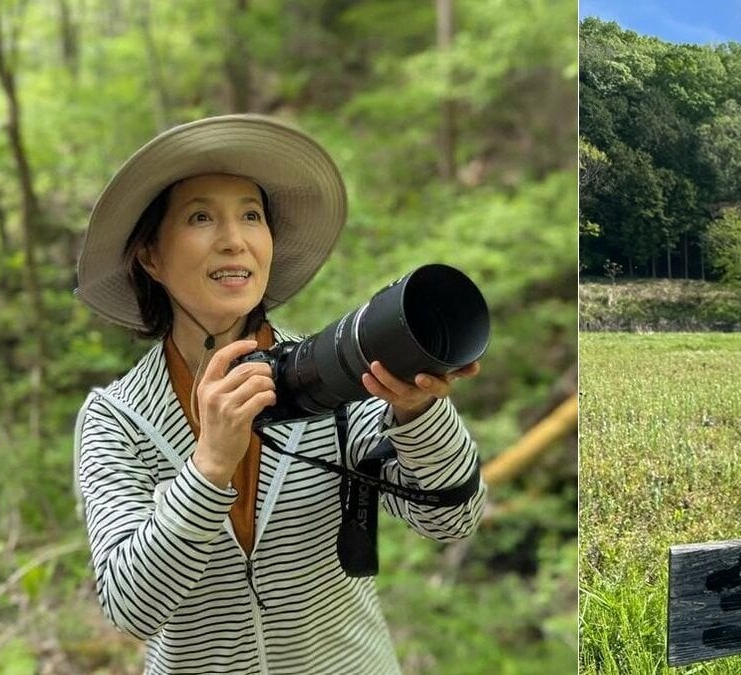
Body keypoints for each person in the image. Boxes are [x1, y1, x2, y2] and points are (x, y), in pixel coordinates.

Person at [72, 114, 485, 674]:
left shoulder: (335, 374)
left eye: (251, 215)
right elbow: (131, 608)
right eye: (200, 217)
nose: (234, 240)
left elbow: (449, 522)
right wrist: (211, 465)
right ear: (150, 256)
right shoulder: (117, 419)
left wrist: (418, 413)